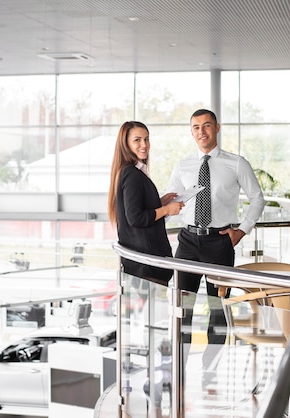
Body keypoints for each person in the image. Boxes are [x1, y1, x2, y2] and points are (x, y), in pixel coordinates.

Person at [166, 108, 266, 390]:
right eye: (196, 127)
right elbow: (172, 202)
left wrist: (241, 231)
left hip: (219, 244)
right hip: (187, 243)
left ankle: (210, 372)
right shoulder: (183, 165)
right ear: (192, 132)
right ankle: (179, 372)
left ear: (217, 128)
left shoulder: (236, 164)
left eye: (206, 125)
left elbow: (257, 199)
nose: (201, 132)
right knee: (182, 309)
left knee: (217, 311)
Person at [108, 121, 184, 291]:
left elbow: (138, 208)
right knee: (153, 314)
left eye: (146, 139)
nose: (144, 145)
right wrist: (166, 210)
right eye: (137, 140)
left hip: (144, 264)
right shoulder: (131, 174)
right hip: (146, 265)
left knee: (150, 314)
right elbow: (135, 218)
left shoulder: (133, 171)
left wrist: (160, 202)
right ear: (125, 143)